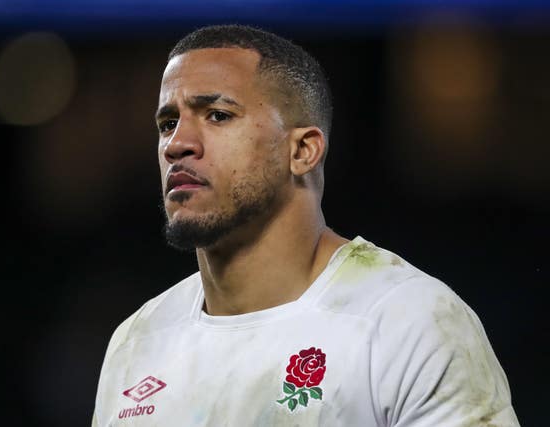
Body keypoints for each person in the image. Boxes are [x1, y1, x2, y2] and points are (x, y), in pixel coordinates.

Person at [92, 25, 519, 426]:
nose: (177, 144)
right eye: (168, 123)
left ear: (303, 150)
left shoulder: (407, 322)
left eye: (217, 115)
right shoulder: (137, 341)